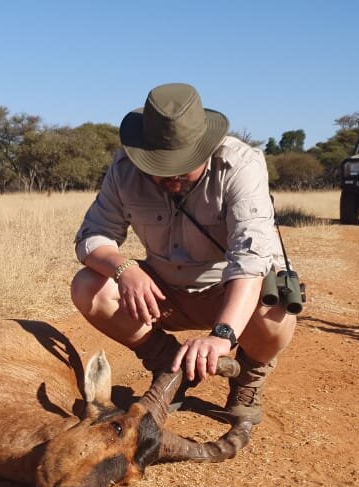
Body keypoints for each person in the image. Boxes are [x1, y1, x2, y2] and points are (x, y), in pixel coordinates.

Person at [70, 82, 296, 426]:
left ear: (206, 148)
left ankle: (247, 380)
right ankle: (169, 364)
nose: (170, 175)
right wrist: (124, 268)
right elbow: (92, 237)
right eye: (158, 165)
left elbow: (250, 261)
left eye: (182, 165)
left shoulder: (241, 165)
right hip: (165, 295)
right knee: (88, 286)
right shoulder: (124, 169)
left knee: (276, 307)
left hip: (230, 294)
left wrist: (222, 337)